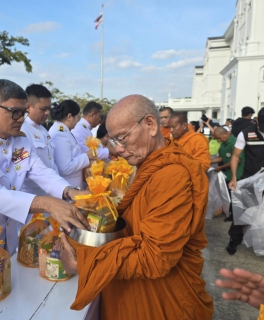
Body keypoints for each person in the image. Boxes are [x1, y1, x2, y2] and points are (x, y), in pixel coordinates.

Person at [59, 94, 213, 320]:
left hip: (163, 301)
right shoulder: (151, 161)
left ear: (150, 124)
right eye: (113, 141)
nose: (118, 150)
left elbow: (156, 258)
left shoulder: (172, 175)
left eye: (121, 138)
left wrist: (85, 264)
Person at [0, 79, 89, 304]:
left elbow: (39, 170)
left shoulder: (21, 142)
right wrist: (48, 203)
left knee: (6, 298)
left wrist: (70, 191)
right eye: (15, 112)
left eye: (23, 112)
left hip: (7, 239)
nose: (22, 119)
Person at [226, 107, 264, 255]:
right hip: (250, 178)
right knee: (242, 212)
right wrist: (234, 178)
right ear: (257, 121)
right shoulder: (247, 133)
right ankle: (234, 240)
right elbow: (235, 156)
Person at [21, 84, 59, 196]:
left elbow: (51, 163)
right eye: (43, 109)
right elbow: (26, 169)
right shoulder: (21, 130)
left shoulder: (43, 130)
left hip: (51, 192)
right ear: (28, 107)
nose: (47, 113)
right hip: (33, 197)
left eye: (48, 108)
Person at [49, 100, 96, 186]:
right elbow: (65, 168)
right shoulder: (59, 134)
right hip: (68, 186)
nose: (78, 121)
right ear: (69, 116)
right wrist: (86, 156)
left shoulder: (63, 131)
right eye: (77, 117)